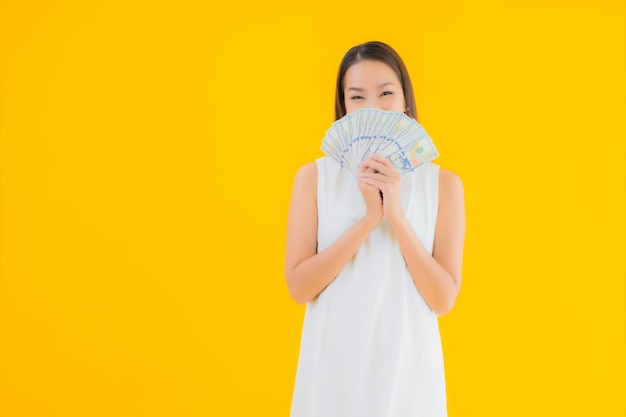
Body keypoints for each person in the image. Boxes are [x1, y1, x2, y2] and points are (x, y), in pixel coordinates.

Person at [284, 41, 466, 417]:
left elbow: (443, 299)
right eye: (357, 97)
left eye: (386, 93)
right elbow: (299, 287)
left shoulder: (444, 185)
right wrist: (368, 220)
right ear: (344, 108)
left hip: (409, 369)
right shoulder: (313, 178)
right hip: (331, 367)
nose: (373, 107)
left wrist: (396, 213)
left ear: (405, 101)